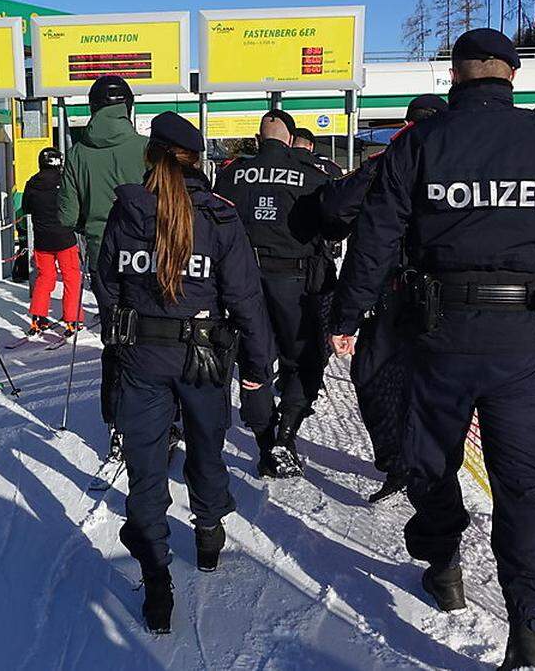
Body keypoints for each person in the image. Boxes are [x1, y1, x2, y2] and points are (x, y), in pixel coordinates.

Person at [330, 29, 535, 670]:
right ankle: (529, 631)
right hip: (519, 341)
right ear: (511, 75)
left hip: (437, 335)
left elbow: (376, 236)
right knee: (523, 481)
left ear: (455, 76)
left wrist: (347, 313)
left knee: (430, 458)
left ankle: (443, 564)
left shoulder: (423, 143)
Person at [94, 111, 272, 635]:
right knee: (206, 446)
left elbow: (107, 284)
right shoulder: (219, 215)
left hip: (141, 356)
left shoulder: (127, 209)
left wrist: (120, 333)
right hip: (204, 357)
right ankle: (209, 530)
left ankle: (156, 582)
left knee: (146, 468)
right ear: (198, 161)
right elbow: (244, 296)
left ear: (152, 157)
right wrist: (258, 366)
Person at [320, 93, 448, 501]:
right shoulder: (462, 162)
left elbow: (336, 207)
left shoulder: (390, 162)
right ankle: (419, 468)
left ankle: (401, 463)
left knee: (375, 376)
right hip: (449, 299)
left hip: (393, 293)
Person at [215, 109, 333, 479]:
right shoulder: (312, 176)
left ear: (257, 136)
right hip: (295, 286)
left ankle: (267, 444)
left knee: (253, 362)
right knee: (304, 360)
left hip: (242, 283)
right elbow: (334, 227)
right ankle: (286, 433)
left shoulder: (231, 176)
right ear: (289, 138)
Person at [59, 75, 150, 459]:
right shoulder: (148, 148)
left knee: (116, 339)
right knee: (151, 338)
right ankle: (157, 420)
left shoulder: (78, 152)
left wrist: (90, 225)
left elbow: (66, 215)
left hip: (103, 258)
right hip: (148, 258)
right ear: (128, 107)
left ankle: (116, 424)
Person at [22, 147, 81, 335]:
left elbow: (26, 208)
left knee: (45, 278)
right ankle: (72, 318)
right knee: (71, 277)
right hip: (64, 238)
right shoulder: (65, 182)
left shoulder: (32, 183)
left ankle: (38, 317)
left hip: (42, 240)